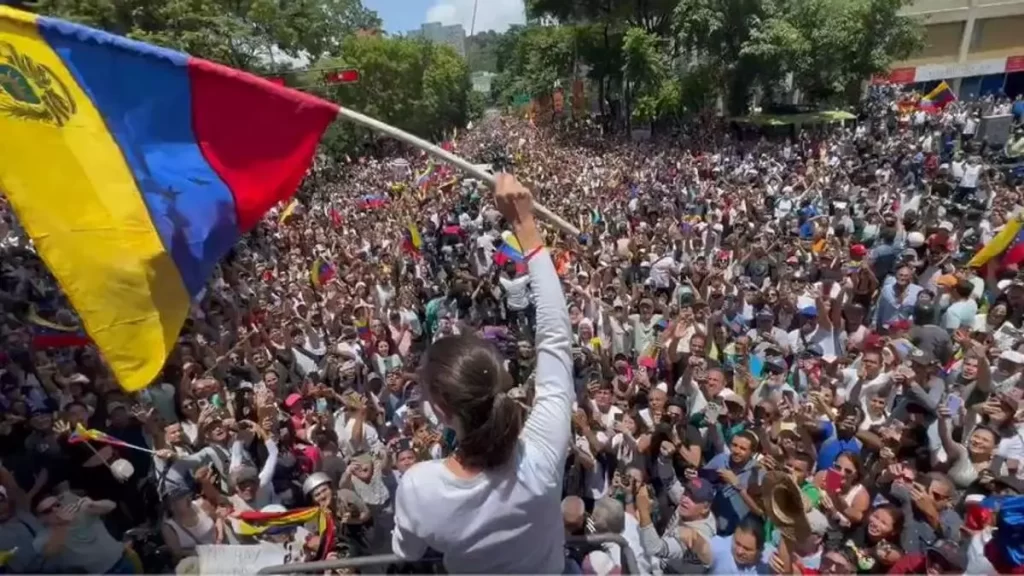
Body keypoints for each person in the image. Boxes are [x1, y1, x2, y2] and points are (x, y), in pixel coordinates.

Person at [391, 174, 575, 573]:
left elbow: (407, 552)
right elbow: (556, 339)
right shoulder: (542, 452)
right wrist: (526, 225)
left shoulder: (419, 486)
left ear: (440, 409)